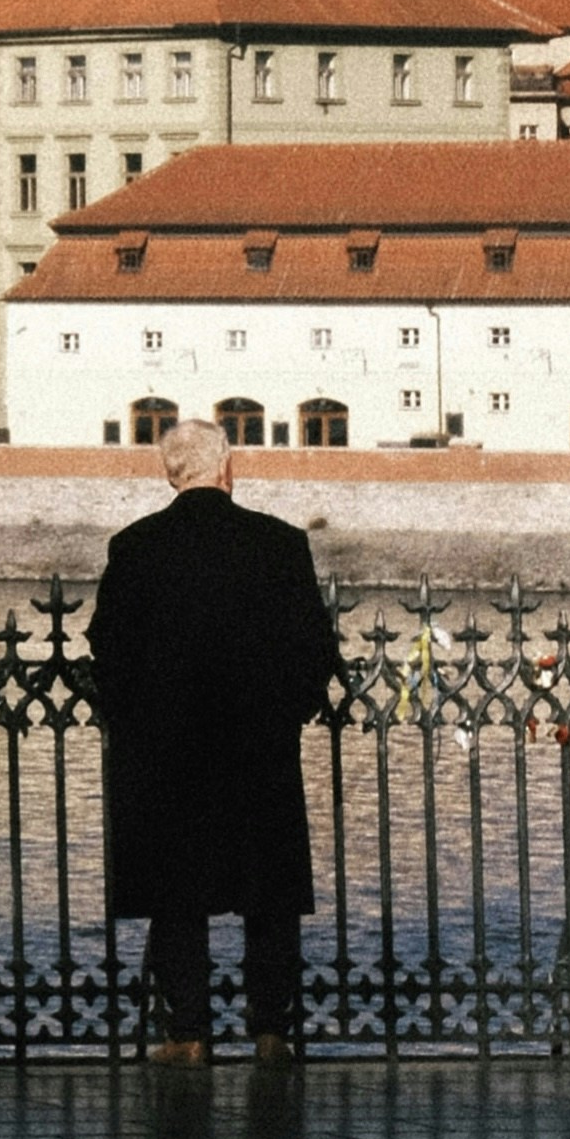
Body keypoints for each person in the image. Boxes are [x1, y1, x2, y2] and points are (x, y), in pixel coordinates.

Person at [87, 415, 337, 1066]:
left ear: (168, 473)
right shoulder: (279, 544)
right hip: (257, 746)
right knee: (268, 895)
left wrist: (132, 719)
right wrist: (290, 709)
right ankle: (270, 1029)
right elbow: (314, 646)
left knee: (177, 894)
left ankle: (187, 1032)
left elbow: (107, 648)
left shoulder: (134, 546)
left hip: (168, 751)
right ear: (228, 468)